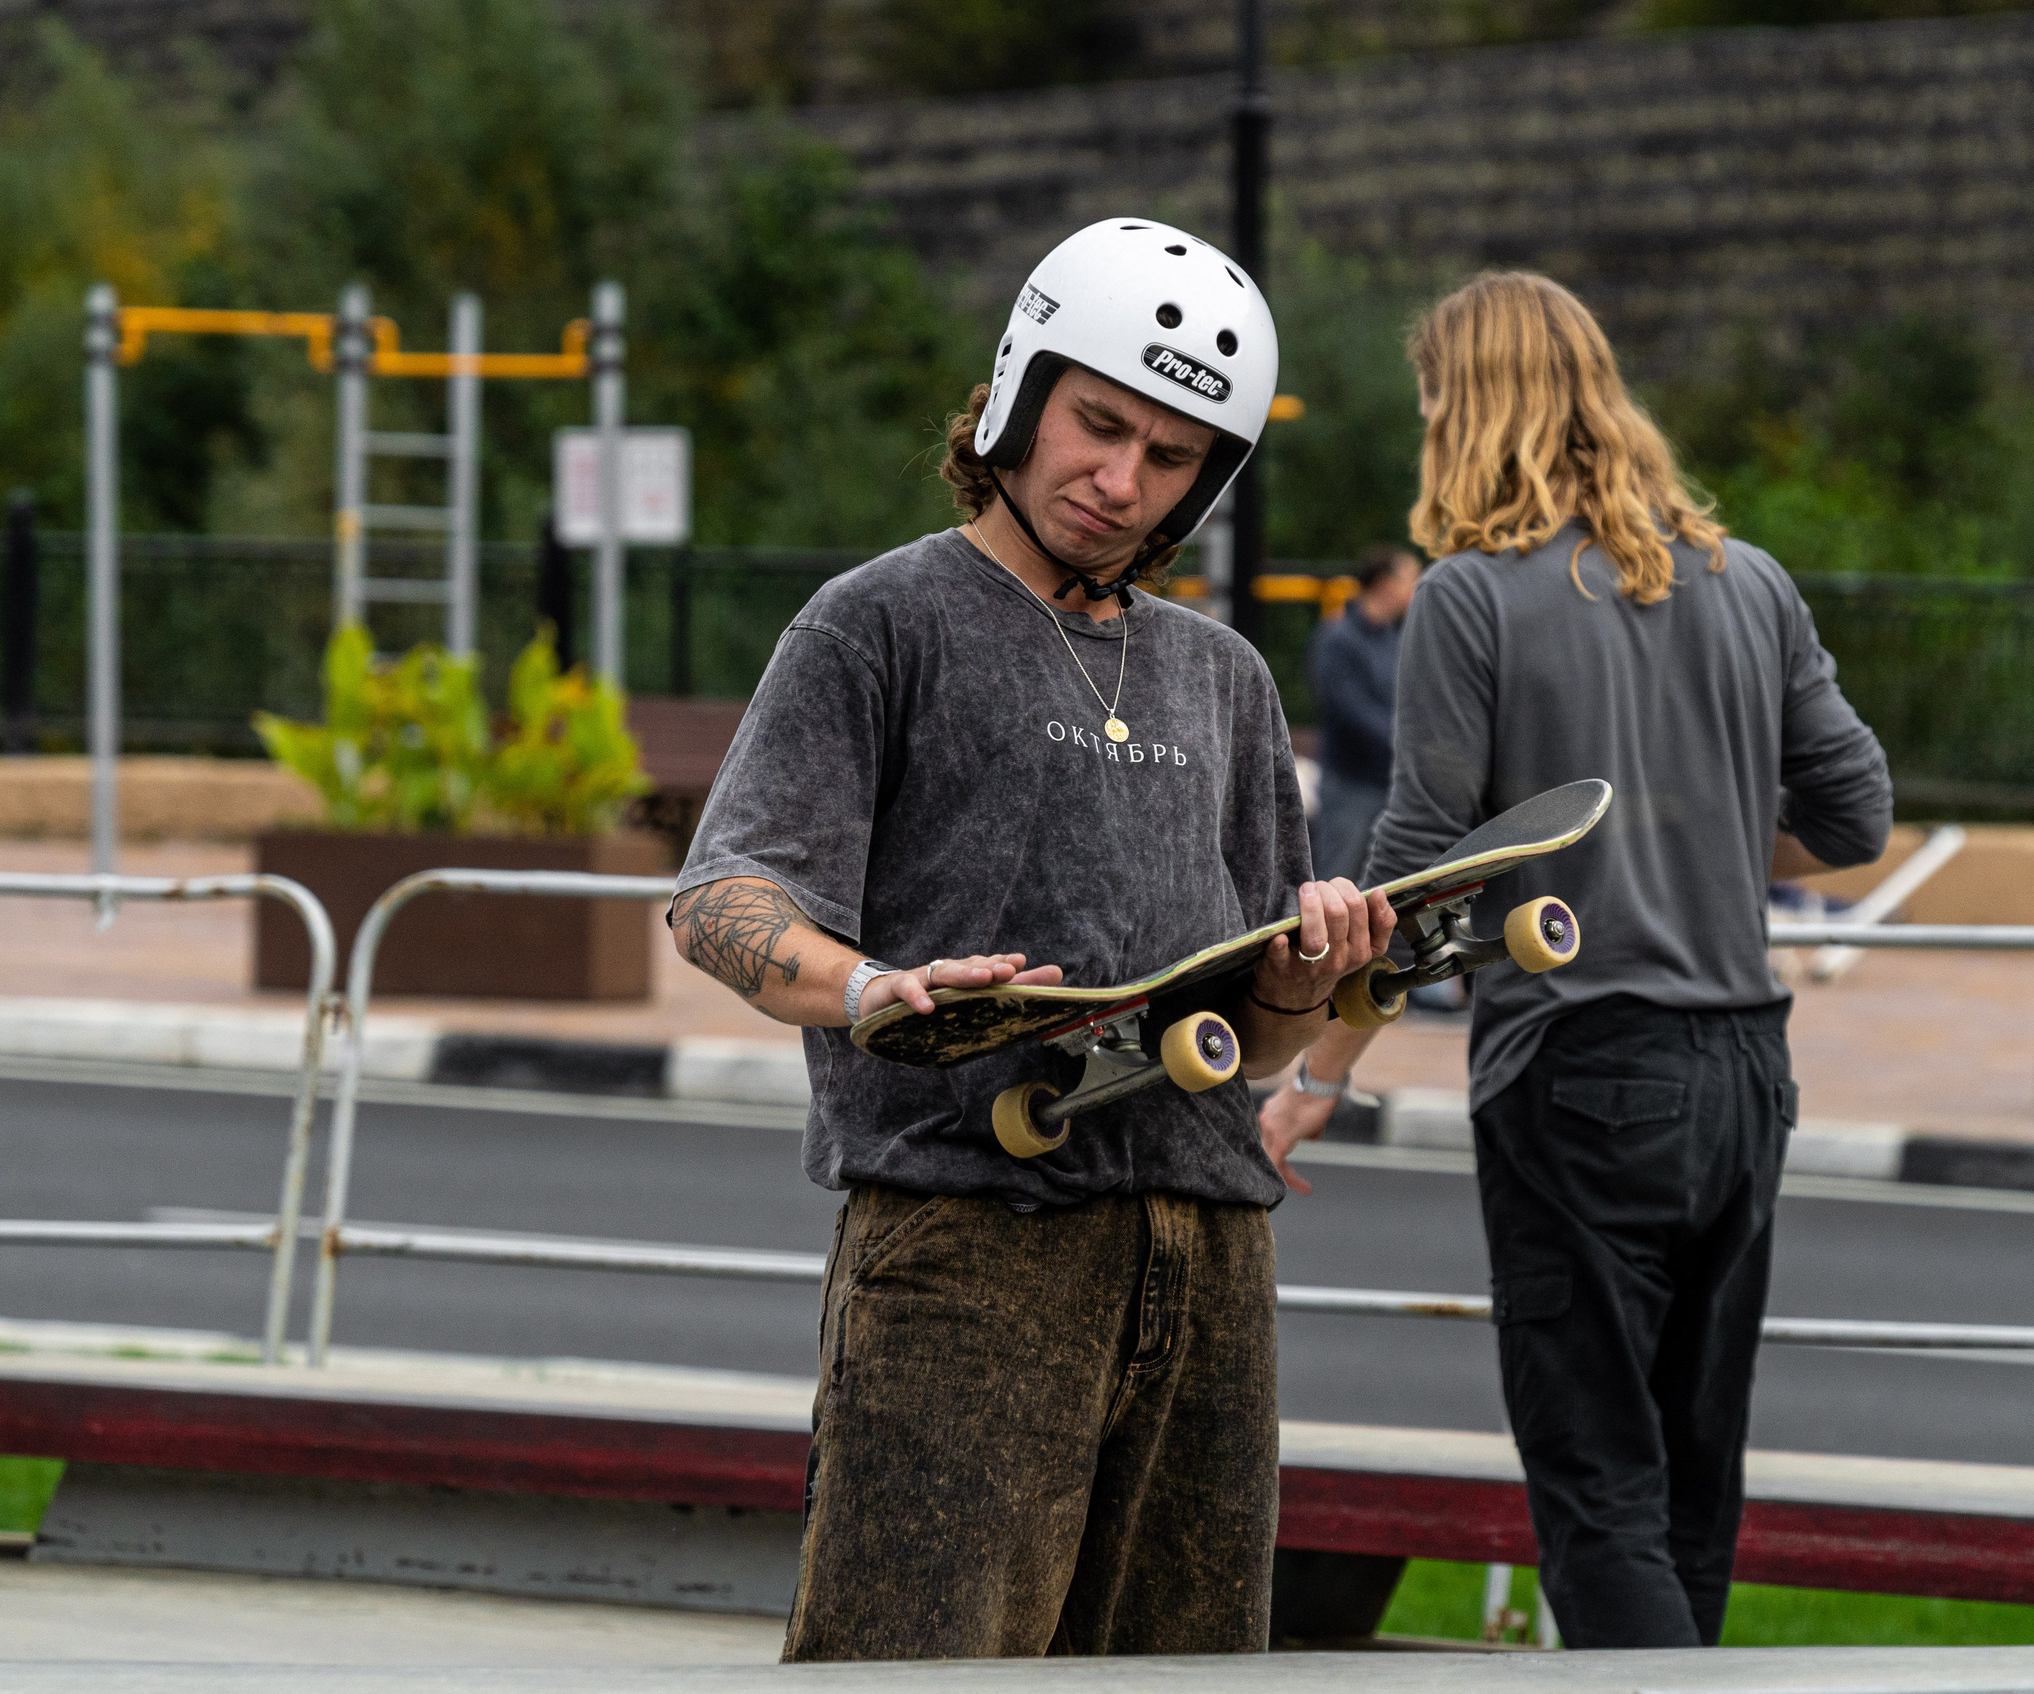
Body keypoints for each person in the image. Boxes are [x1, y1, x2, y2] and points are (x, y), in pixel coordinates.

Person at [669, 217, 1396, 1662]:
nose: (1122, 480)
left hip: (1205, 1262)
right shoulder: (880, 623)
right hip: (968, 1254)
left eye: (1172, 455)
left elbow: (1248, 1043)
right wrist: (871, 987)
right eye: (1098, 424)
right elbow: (721, 895)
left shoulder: (1223, 678)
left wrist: (1303, 990)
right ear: (1017, 391)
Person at [1259, 271, 1893, 1649]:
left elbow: (1423, 867)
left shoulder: (1470, 598)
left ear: (1471, 412)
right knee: (1688, 1487)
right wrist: (1700, 842)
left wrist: (1320, 1071)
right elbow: (1856, 819)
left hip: (1581, 1069)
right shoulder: (1751, 581)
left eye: (1434, 405)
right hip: (1744, 1073)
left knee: (1599, 1489)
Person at [1306, 542, 1421, 882]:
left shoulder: (1394, 639)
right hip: (1350, 785)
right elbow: (1348, 711)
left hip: (1388, 784)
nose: (1416, 588)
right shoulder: (1338, 637)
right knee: (1337, 880)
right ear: (1385, 583)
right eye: (1410, 579)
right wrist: (1407, 743)